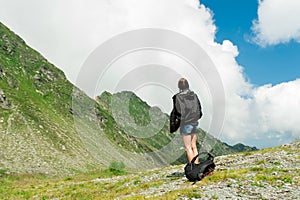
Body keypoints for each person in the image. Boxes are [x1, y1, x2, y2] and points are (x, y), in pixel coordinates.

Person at [170, 78, 202, 163]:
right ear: (188, 85)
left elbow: (177, 111)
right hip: (194, 123)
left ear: (179, 86)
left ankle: (193, 168)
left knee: (187, 147)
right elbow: (199, 109)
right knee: (194, 146)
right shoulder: (194, 96)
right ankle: (197, 165)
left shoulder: (178, 97)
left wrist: (176, 124)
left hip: (185, 124)